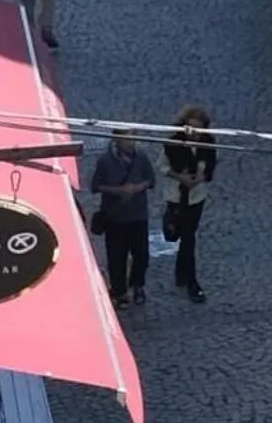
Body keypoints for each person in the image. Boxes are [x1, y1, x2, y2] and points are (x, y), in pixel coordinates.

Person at [90, 129, 156, 308]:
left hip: (138, 216)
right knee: (116, 257)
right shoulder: (105, 161)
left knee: (141, 255)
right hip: (115, 218)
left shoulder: (141, 157)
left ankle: (137, 285)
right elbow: (96, 186)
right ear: (116, 140)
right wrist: (117, 191)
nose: (130, 142)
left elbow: (151, 179)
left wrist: (136, 188)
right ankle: (119, 293)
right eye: (126, 138)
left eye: (133, 137)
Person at [162, 105, 217, 304]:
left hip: (197, 197)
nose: (194, 133)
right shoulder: (173, 142)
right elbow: (163, 166)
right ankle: (186, 277)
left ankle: (188, 278)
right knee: (179, 235)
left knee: (188, 237)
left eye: (198, 129)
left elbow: (210, 165)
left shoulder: (208, 143)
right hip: (176, 195)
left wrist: (200, 176)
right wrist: (180, 177)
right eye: (190, 128)